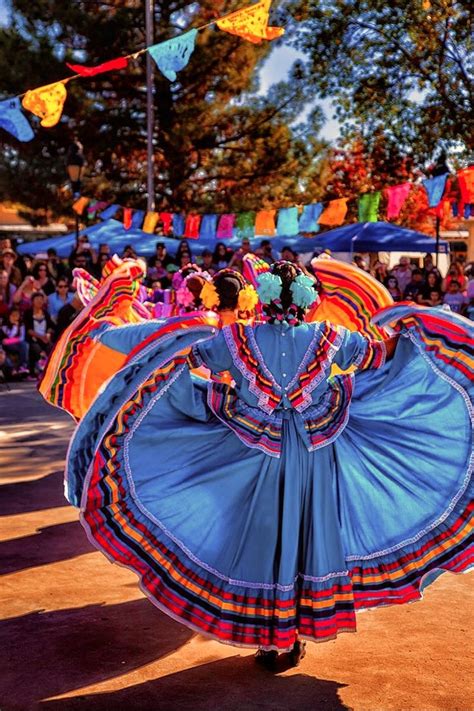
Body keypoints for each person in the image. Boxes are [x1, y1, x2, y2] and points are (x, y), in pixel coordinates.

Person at [60, 259, 473, 671]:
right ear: (306, 301)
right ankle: (294, 636)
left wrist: (161, 372)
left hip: (256, 456)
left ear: (266, 298)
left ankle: (270, 639)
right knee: (307, 541)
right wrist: (422, 326)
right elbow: (381, 355)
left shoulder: (238, 338)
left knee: (264, 542)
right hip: (316, 453)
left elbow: (182, 357)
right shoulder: (328, 336)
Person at [24, 292, 54, 375]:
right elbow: (28, 330)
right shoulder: (28, 313)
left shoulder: (45, 313)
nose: (39, 301)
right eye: (37, 299)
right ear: (32, 301)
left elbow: (51, 326)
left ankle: (50, 371)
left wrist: (48, 333)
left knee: (51, 348)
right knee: (35, 348)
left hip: (44, 338)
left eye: (41, 299)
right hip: (33, 338)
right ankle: (35, 371)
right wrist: (41, 337)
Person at [0, 307, 29, 375]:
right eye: (13, 315)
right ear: (9, 316)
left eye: (17, 315)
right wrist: (14, 327)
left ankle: (23, 366)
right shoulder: (4, 325)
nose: (15, 317)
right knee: (23, 345)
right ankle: (13, 369)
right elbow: (8, 337)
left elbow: (21, 338)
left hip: (16, 344)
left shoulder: (21, 325)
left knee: (25, 344)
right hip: (7, 345)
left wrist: (16, 327)